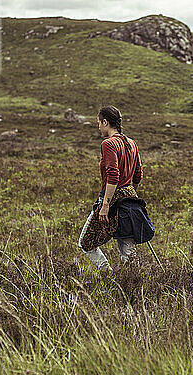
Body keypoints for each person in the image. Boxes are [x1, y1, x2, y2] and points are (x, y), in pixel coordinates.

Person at [78, 105, 153, 272]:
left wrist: (105, 205)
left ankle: (108, 275)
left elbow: (113, 176)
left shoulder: (109, 144)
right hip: (130, 200)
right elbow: (138, 175)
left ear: (105, 122)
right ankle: (135, 285)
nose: (98, 127)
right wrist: (130, 193)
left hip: (110, 199)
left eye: (99, 123)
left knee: (86, 243)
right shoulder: (132, 143)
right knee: (128, 252)